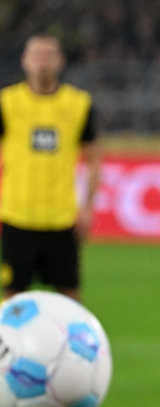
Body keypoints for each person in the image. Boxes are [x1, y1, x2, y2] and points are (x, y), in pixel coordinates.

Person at [0, 35, 101, 302]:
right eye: (36, 55)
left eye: (48, 56)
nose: (42, 62)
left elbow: (92, 159)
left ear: (60, 61)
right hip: (17, 216)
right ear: (25, 61)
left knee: (70, 297)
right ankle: (9, 346)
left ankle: (68, 346)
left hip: (62, 218)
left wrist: (88, 207)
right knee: (12, 298)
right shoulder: (7, 103)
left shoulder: (79, 105)